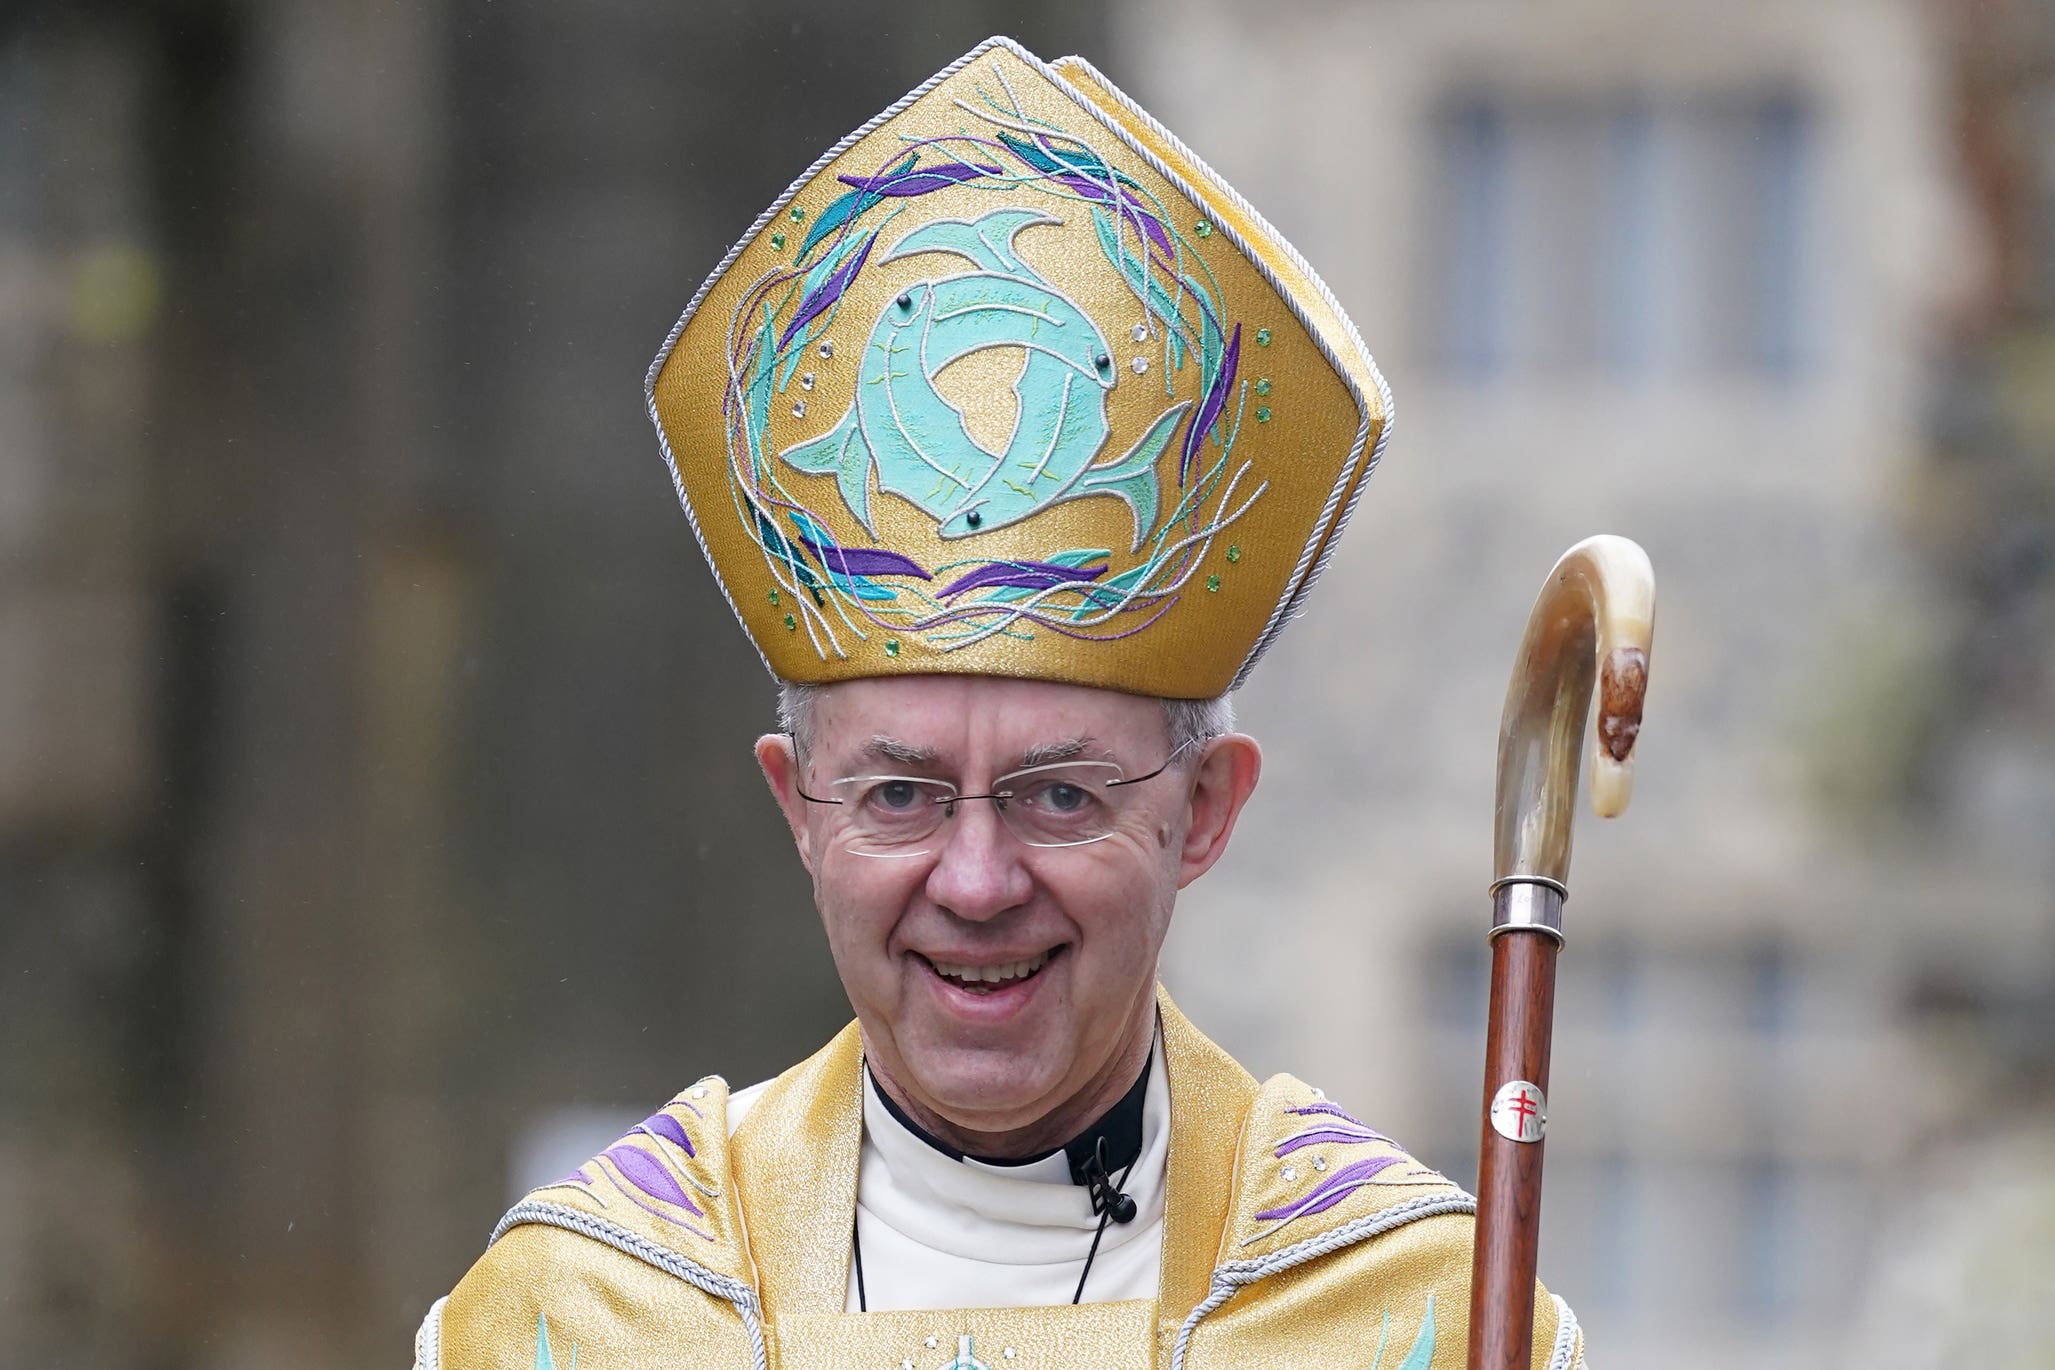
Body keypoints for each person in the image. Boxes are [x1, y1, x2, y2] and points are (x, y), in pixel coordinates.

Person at [417, 37, 1586, 1369]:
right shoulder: (592, 1311)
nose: (975, 881)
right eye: (902, 793)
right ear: (799, 809)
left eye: (1059, 795)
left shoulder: (1405, 1313)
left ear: (1205, 809)